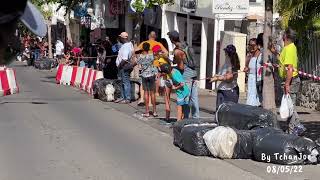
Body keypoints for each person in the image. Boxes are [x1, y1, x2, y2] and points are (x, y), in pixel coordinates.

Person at [270, 28, 306, 136]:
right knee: (288, 106)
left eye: (283, 34)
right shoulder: (287, 48)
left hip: (291, 81)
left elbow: (289, 68)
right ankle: (292, 131)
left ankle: (296, 128)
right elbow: (282, 60)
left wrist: (286, 84)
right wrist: (275, 52)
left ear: (285, 36)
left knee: (290, 107)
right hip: (289, 81)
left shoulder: (290, 48)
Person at [168, 30, 200, 119]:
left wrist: (173, 68)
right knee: (194, 98)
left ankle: (185, 119)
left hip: (186, 75)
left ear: (171, 39)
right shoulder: (185, 45)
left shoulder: (177, 51)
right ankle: (196, 118)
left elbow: (181, 67)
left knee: (186, 97)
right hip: (193, 73)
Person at [210, 44, 240, 110]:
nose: (224, 54)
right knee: (219, 112)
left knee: (227, 112)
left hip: (229, 91)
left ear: (228, 53)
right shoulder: (227, 62)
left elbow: (229, 79)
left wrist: (217, 78)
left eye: (226, 52)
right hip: (222, 90)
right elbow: (225, 75)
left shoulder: (232, 64)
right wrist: (218, 75)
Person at [136, 42, 158, 117]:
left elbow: (136, 62)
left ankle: (147, 112)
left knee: (146, 93)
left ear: (143, 48)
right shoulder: (151, 55)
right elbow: (156, 57)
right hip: (151, 74)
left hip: (144, 75)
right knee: (152, 93)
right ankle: (154, 111)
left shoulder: (141, 56)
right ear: (148, 48)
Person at [115, 32, 134, 104]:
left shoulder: (126, 46)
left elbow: (125, 58)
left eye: (120, 37)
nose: (119, 38)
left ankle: (127, 98)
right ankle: (123, 97)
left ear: (123, 38)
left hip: (123, 67)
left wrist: (119, 66)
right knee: (122, 82)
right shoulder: (128, 45)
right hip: (123, 66)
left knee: (125, 82)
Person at [244, 38, 262, 106]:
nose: (251, 47)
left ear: (257, 46)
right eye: (249, 45)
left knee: (256, 97)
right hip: (251, 79)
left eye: (253, 45)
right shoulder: (250, 55)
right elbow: (247, 67)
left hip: (257, 79)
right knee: (250, 95)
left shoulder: (261, 55)